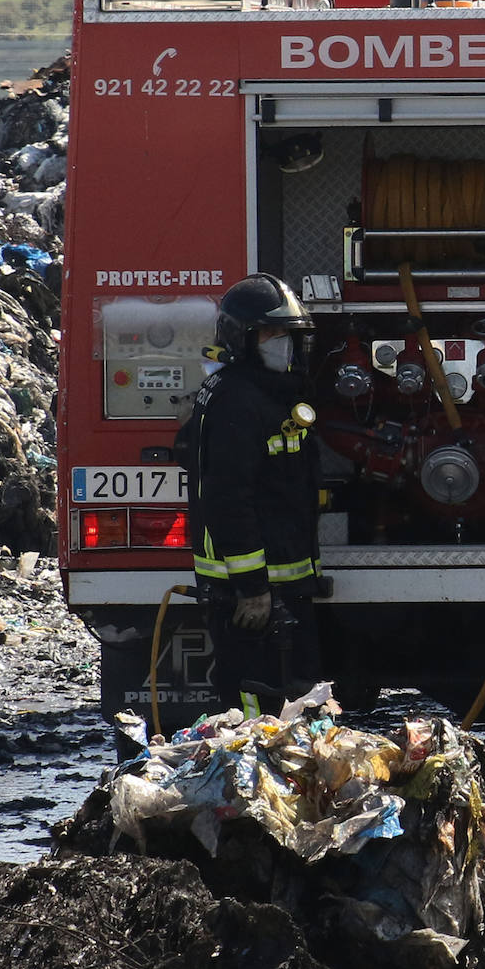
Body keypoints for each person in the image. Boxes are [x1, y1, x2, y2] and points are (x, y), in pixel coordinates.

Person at [177, 273, 322, 718]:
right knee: (253, 699)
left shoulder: (257, 392)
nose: (283, 344)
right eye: (273, 334)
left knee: (290, 694)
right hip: (252, 593)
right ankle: (249, 776)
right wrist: (252, 588)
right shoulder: (240, 402)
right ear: (243, 338)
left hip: (277, 584)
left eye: (289, 335)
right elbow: (229, 500)